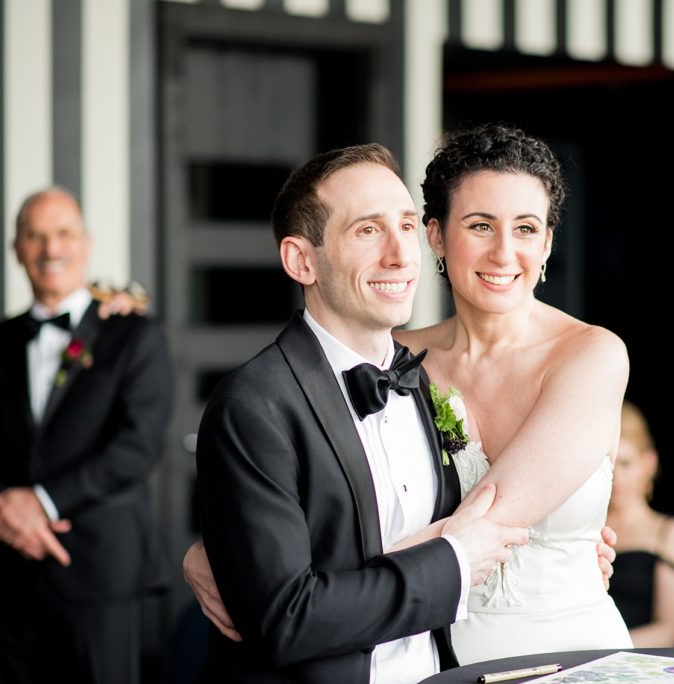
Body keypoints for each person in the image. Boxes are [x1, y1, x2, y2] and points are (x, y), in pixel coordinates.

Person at [191, 143, 528, 683]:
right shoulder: (253, 405)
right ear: (303, 261)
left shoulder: (426, 378)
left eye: (407, 225)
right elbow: (287, 619)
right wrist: (453, 561)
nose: (401, 255)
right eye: (368, 231)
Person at [391, 123, 633, 662]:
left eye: (526, 228)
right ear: (435, 234)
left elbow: (491, 519)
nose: (504, 252)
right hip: (426, 658)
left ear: (546, 242)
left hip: (581, 655)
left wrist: (294, 578)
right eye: (480, 225)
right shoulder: (390, 362)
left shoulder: (590, 355)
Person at [0, 187, 173, 683]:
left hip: (101, 571)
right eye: (35, 236)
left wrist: (43, 502)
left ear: (87, 244)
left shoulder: (135, 334)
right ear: (16, 249)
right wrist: (1, 511)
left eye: (64, 233)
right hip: (6, 573)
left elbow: (137, 446)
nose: (51, 249)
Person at [605, 401, 674, 647]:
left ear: (649, 462)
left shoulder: (670, 532)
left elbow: (670, 631)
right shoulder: (584, 528)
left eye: (625, 463)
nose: (616, 477)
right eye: (608, 465)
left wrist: (601, 650)